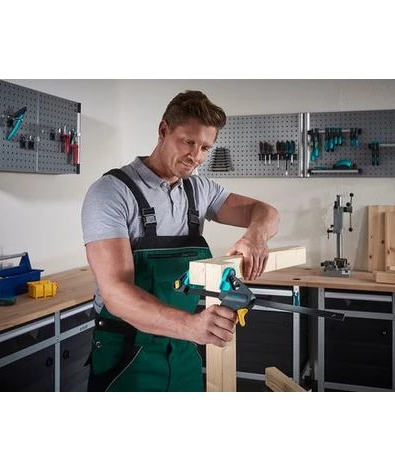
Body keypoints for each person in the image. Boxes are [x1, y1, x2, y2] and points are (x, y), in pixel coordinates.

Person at [81, 90, 280, 392]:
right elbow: (116, 293)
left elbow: (267, 212)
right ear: (164, 130)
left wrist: (255, 237)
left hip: (184, 349)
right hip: (128, 352)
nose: (196, 157)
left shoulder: (199, 190)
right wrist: (191, 325)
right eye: (188, 142)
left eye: (205, 148)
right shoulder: (111, 192)